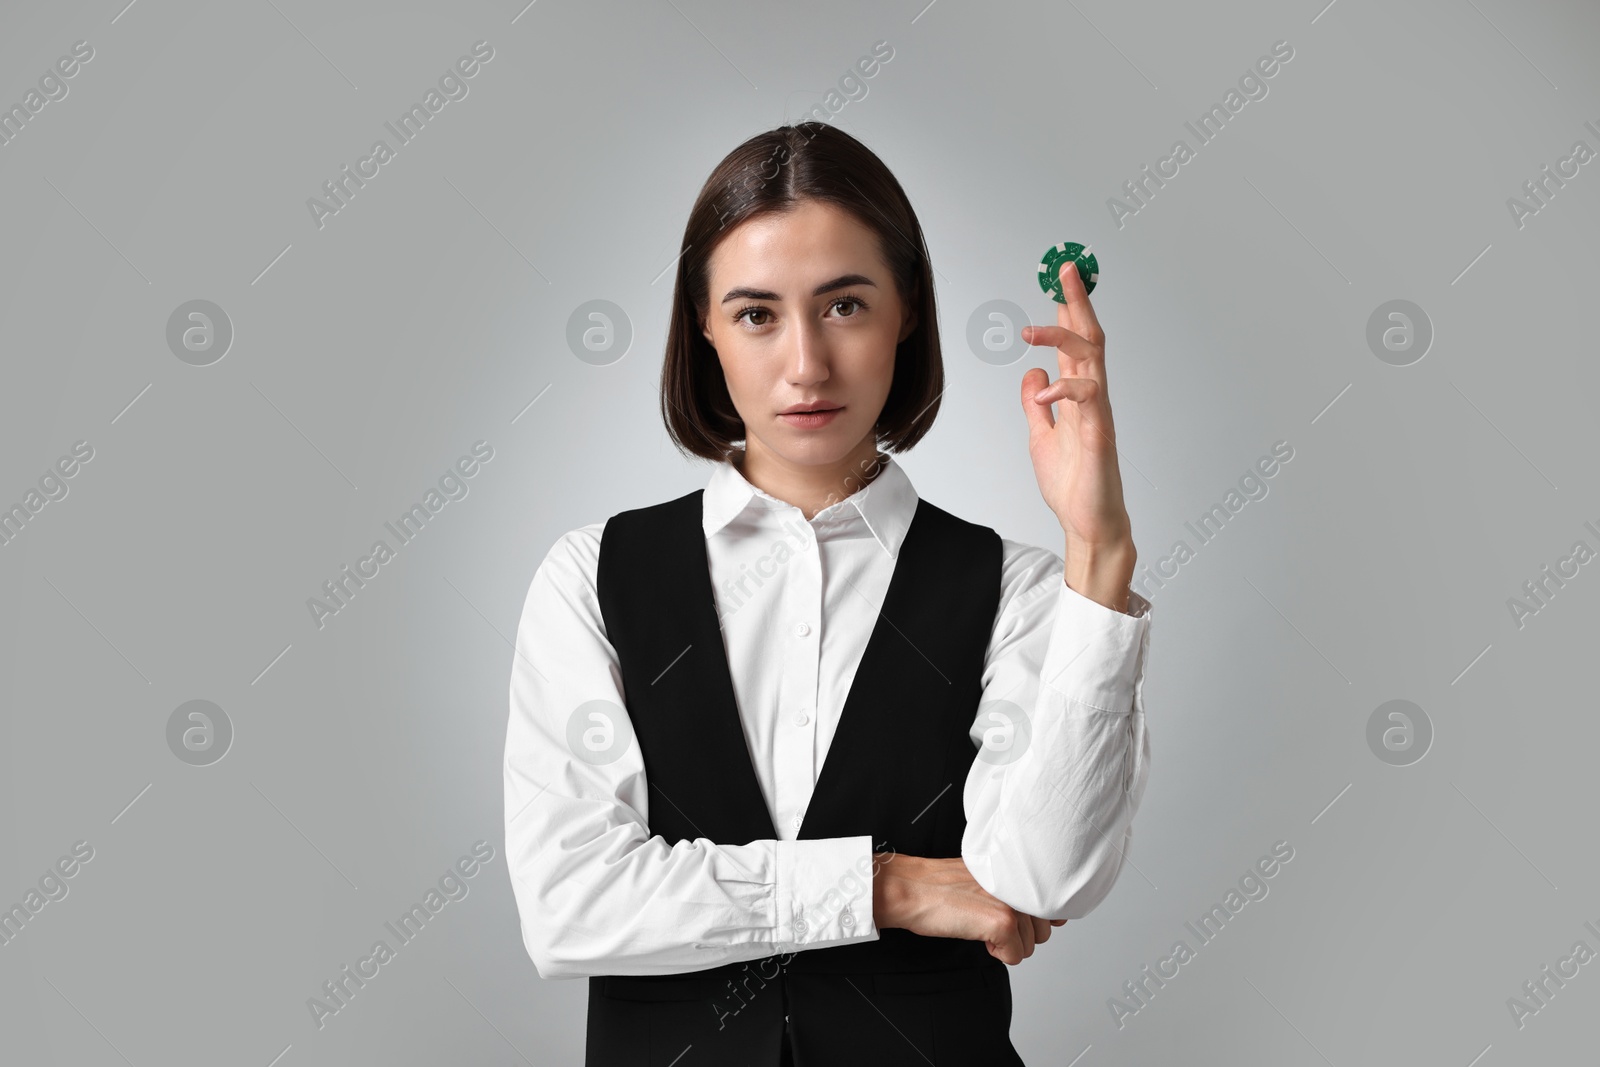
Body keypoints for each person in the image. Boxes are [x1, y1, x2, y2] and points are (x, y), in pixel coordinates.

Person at [503, 121, 1153, 1066]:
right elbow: (568, 907)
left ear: (909, 313)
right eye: (757, 313)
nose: (805, 363)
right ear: (705, 329)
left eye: (844, 305)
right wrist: (888, 886)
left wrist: (1099, 554)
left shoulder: (1012, 590)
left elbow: (1045, 876)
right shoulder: (591, 577)